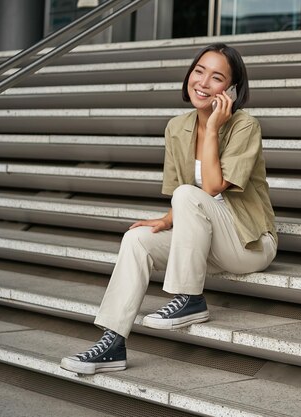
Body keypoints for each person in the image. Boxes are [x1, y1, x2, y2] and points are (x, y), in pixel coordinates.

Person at [60, 43, 277, 375]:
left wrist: (214, 129)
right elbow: (183, 195)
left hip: (249, 244)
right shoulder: (177, 127)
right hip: (207, 240)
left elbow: (212, 188)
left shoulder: (245, 126)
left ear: (231, 90)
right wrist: (165, 221)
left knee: (190, 194)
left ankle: (189, 298)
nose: (203, 82)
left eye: (216, 77)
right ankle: (113, 343)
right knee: (137, 240)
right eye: (199, 71)